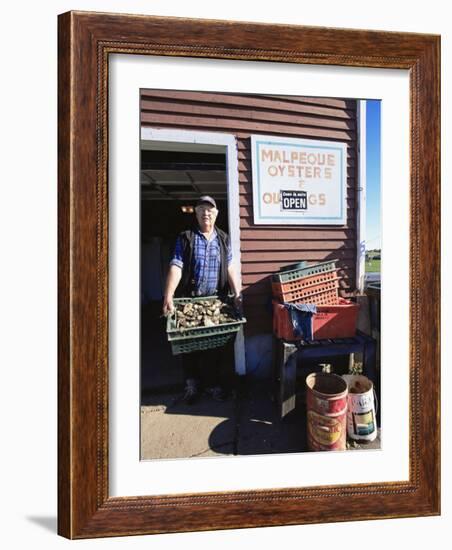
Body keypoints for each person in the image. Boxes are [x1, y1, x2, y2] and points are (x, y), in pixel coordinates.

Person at [163, 196, 242, 404]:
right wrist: (168, 295)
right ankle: (192, 385)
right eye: (201, 210)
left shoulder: (224, 239)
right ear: (196, 214)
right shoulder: (186, 237)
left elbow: (231, 268)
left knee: (214, 348)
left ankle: (213, 385)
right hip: (190, 301)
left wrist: (237, 293)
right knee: (188, 346)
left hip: (215, 302)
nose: (206, 213)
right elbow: (176, 266)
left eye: (210, 210)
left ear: (216, 214)